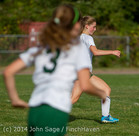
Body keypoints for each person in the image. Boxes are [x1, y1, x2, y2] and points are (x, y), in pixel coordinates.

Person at [3, 5, 106, 136]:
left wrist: (15, 99)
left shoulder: (42, 47)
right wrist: (101, 94)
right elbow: (85, 85)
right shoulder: (76, 49)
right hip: (56, 111)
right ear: (75, 25)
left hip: (35, 110)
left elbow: (8, 72)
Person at [71, 16, 120, 123]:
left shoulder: (78, 37)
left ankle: (106, 117)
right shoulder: (88, 38)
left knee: (105, 90)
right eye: (94, 27)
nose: (95, 29)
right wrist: (112, 52)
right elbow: (95, 52)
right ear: (87, 26)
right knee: (73, 98)